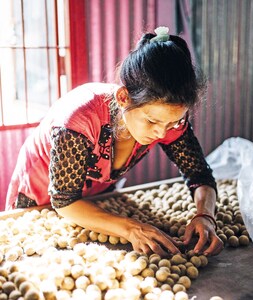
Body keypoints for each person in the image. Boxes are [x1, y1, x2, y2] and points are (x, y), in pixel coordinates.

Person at [6, 26, 223, 257]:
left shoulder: (170, 119)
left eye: (171, 124)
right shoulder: (77, 121)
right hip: (40, 196)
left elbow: (199, 175)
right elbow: (64, 201)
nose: (161, 133)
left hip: (89, 197)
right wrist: (131, 228)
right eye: (151, 121)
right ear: (123, 98)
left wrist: (205, 215)